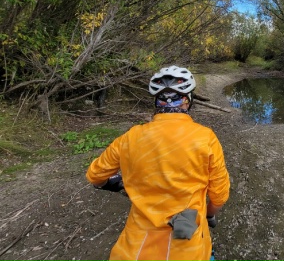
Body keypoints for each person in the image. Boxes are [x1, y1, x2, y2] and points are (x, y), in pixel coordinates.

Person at [86, 65, 230, 261]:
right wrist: (210, 215)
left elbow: (95, 176)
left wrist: (112, 183)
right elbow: (219, 195)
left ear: (156, 101)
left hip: (134, 248)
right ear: (187, 100)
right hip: (187, 240)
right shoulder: (206, 138)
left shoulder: (131, 137)